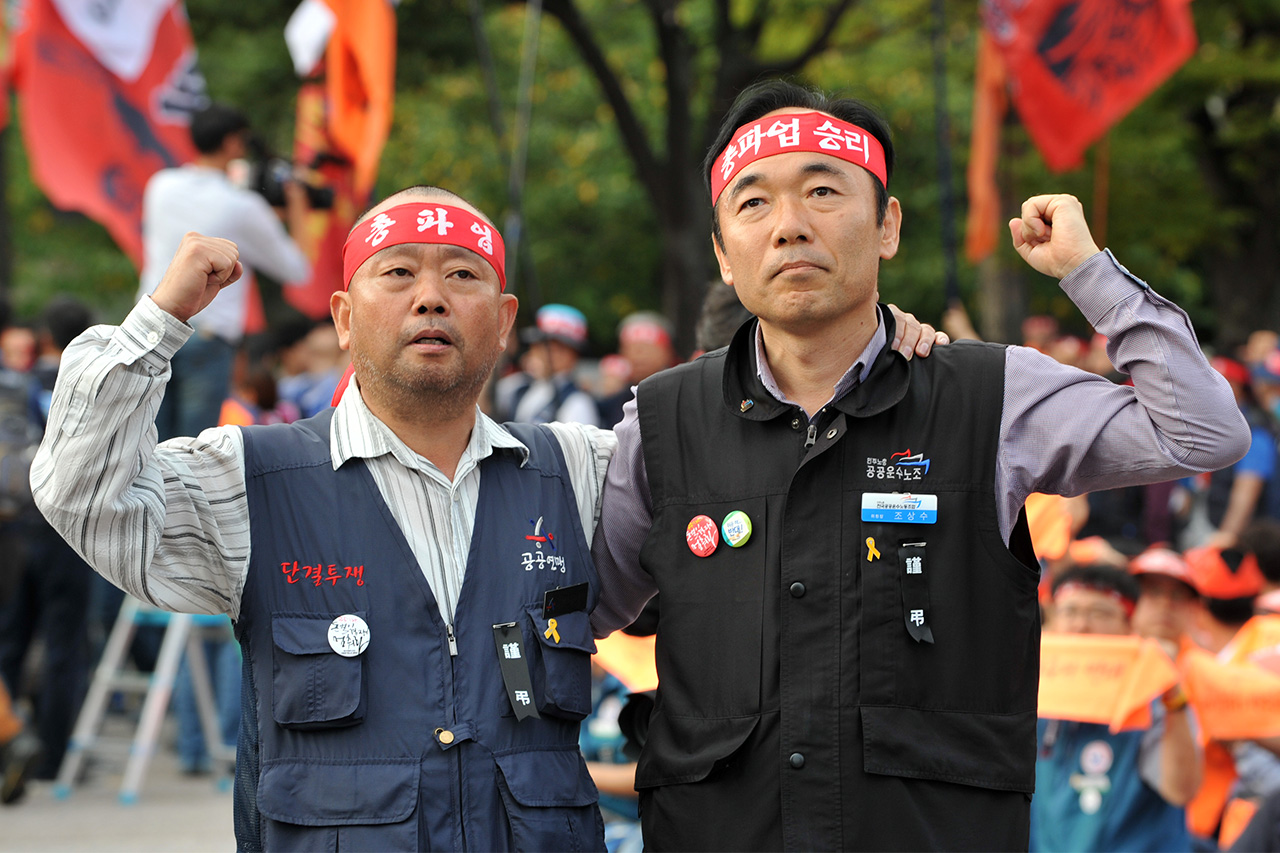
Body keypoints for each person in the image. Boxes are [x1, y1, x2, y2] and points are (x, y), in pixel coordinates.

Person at [588, 80, 1250, 850]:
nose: (790, 226)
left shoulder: (990, 394)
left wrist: (1088, 273)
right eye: (754, 203)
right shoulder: (664, 421)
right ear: (722, 254)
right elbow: (578, 620)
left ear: (888, 226)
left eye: (823, 191)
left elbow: (1205, 432)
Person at [32, 185, 619, 850]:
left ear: (505, 318)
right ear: (343, 317)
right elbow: (79, 497)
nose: (430, 297)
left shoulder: (579, 470)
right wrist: (159, 320)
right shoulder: (248, 477)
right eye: (398, 272)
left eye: (462, 274)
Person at [138, 102, 311, 440]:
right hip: (207, 336)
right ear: (233, 143)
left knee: (149, 440)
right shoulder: (243, 206)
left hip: (151, 328)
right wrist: (298, 209)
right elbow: (297, 269)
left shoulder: (159, 186)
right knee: (187, 448)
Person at [1032, 565, 1200, 852]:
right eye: (1069, 611)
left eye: (1100, 613)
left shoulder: (1155, 697)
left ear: (1129, 626)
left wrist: (1172, 694)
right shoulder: (1029, 691)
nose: (1081, 626)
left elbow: (1181, 790)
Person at [0, 297, 95, 782]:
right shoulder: (93, 377)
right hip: (71, 529)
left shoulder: (22, 384)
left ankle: (8, 744)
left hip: (19, 525)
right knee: (64, 644)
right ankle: (55, 759)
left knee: (11, 640)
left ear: (45, 339)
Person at [498, 303, 601, 426]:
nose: (535, 351)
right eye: (536, 345)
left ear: (570, 355)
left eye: (546, 346)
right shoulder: (518, 386)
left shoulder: (577, 402)